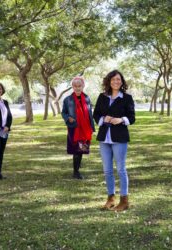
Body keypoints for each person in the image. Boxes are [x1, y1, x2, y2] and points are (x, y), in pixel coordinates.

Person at [93, 70, 135, 211]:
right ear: (109, 81)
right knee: (107, 170)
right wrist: (103, 119)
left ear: (121, 81)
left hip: (120, 137)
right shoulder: (102, 96)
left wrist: (121, 120)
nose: (116, 82)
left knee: (121, 169)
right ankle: (110, 199)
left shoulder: (127, 98)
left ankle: (124, 201)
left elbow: (132, 117)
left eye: (118, 79)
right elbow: (96, 114)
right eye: (113, 79)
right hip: (104, 137)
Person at [62, 76, 95, 179]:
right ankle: (76, 172)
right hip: (74, 128)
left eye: (79, 86)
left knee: (82, 150)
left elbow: (89, 113)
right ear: (72, 86)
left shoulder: (87, 98)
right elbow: (63, 112)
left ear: (83, 86)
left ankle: (77, 165)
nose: (77, 88)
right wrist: (68, 118)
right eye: (75, 86)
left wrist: (92, 127)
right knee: (77, 150)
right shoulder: (68, 100)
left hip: (85, 128)